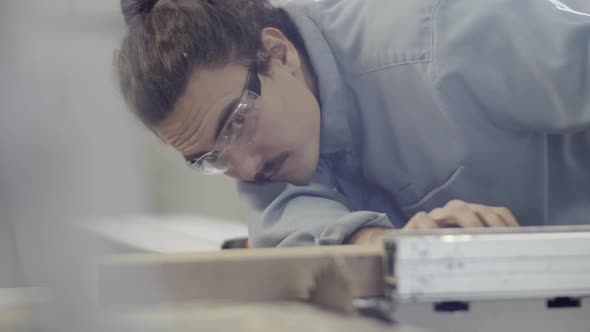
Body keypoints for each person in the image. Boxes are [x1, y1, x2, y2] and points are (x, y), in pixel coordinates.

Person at [116, 0, 590, 247]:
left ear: (278, 53)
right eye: (210, 159)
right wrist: (387, 242)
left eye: (237, 122)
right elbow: (286, 227)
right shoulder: (266, 146)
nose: (244, 168)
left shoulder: (445, 36)